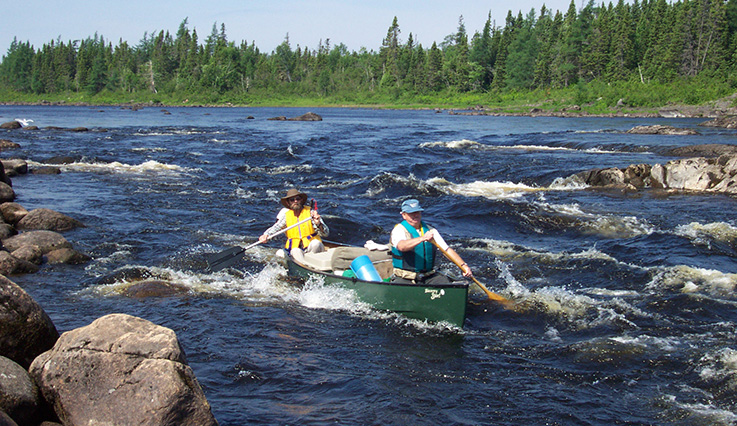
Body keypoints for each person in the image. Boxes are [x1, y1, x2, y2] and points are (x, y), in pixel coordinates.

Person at [390, 199, 473, 284]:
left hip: (427, 276)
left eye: (417, 212)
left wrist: (463, 266)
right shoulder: (398, 230)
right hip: (405, 277)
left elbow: (446, 250)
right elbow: (402, 246)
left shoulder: (431, 230)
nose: (415, 215)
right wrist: (422, 238)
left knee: (445, 282)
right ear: (404, 215)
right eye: (411, 213)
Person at [259, 188, 329, 262]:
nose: (295, 201)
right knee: (294, 250)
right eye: (292, 200)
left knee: (316, 243)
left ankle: (311, 265)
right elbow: (276, 227)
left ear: (301, 200)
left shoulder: (311, 213)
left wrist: (318, 224)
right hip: (297, 250)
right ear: (288, 203)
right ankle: (304, 266)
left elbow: (325, 234)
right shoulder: (286, 216)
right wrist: (266, 234)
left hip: (312, 250)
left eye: (297, 199)